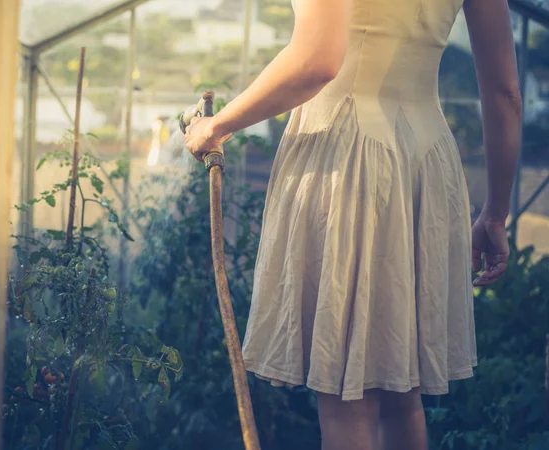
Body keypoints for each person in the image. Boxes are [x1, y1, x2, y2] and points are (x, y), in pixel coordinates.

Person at [185, 0, 522, 449]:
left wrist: (218, 126)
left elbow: (318, 59)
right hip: (426, 165)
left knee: (350, 399)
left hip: (348, 160)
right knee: (402, 395)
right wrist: (496, 211)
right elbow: (504, 92)